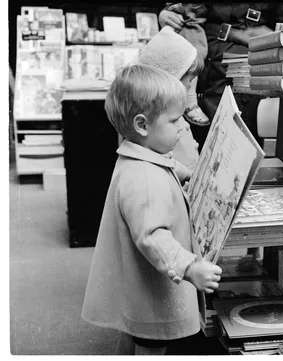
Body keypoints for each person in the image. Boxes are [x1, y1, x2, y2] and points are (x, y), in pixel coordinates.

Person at [81, 64, 222, 356]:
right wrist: (191, 267)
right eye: (174, 120)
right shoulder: (144, 179)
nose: (183, 126)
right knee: (151, 344)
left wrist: (190, 174)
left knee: (134, 334)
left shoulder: (143, 155)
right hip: (151, 293)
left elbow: (170, 166)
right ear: (143, 125)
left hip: (137, 286)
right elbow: (153, 237)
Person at [159, 3, 283, 149]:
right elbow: (187, 10)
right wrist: (167, 15)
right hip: (198, 74)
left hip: (243, 78)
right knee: (194, 147)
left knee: (239, 149)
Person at [138, 25, 203, 175]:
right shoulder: (163, 124)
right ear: (173, 79)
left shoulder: (166, 115)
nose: (190, 85)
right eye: (190, 79)